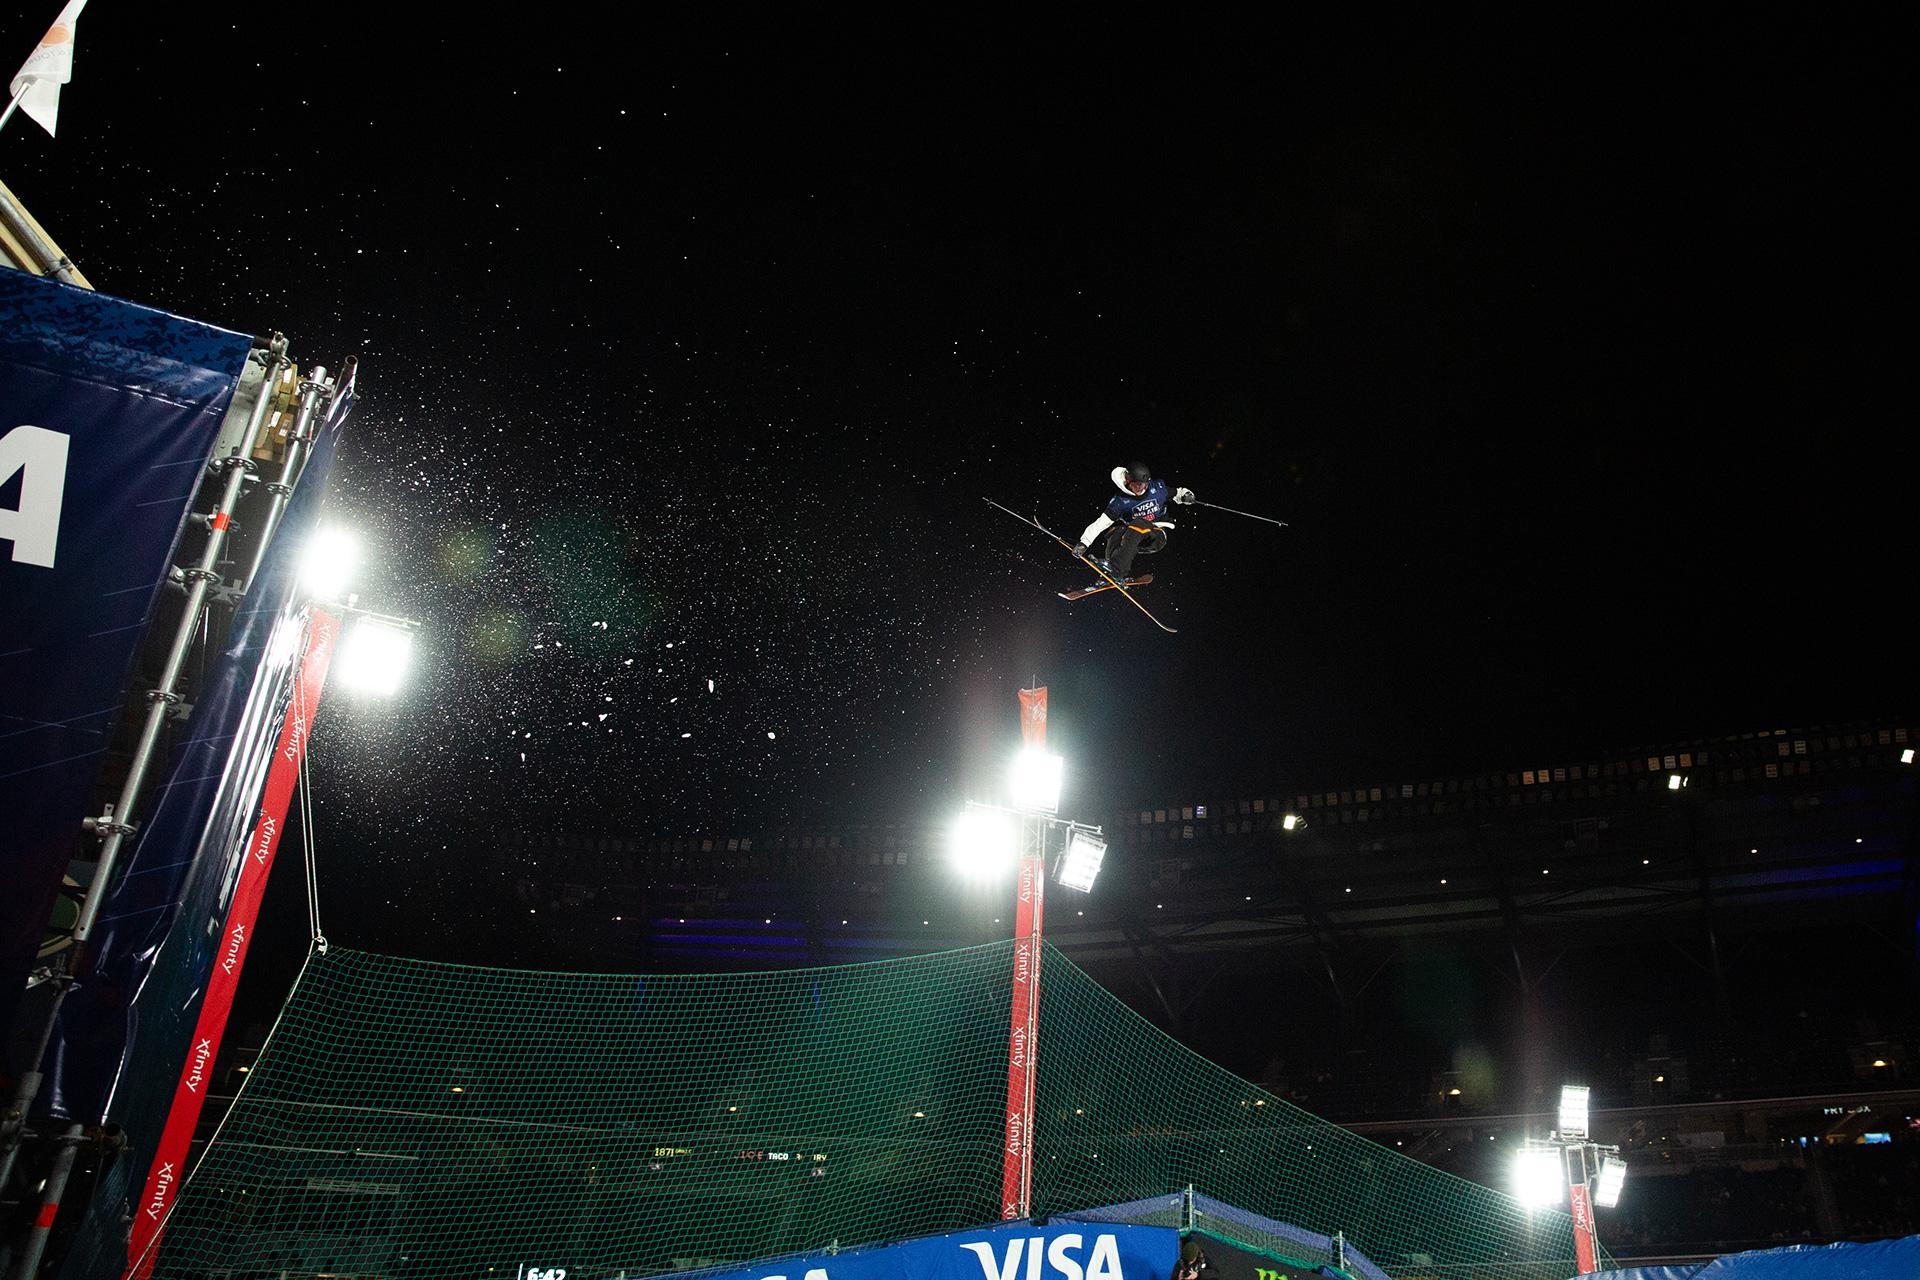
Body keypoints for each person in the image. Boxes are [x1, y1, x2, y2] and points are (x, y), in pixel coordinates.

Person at [1071, 463, 1194, 582]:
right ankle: (1110, 574)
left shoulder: (1157, 489)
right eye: (1138, 485)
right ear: (1128, 481)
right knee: (1116, 531)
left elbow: (1177, 493)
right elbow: (1101, 523)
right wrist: (1084, 542)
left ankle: (1116, 569)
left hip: (1157, 534)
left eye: (1145, 485)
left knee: (1138, 523)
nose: (1142, 488)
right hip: (1135, 536)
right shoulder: (1120, 502)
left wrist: (1186, 495)